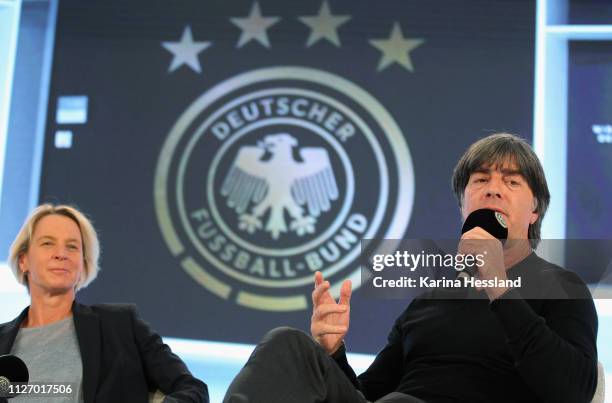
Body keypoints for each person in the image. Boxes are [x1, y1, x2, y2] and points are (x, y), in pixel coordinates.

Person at [223, 133, 599, 403]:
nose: (493, 189)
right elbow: (367, 394)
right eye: (481, 180)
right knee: (286, 343)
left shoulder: (561, 287)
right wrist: (334, 351)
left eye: (511, 181)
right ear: (463, 207)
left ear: (534, 211)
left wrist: (499, 286)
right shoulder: (431, 298)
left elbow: (573, 390)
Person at [0, 204, 209, 403]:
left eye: (72, 246)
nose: (61, 254)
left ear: (83, 265)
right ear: (23, 260)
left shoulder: (120, 326)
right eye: (47, 243)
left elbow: (193, 391)